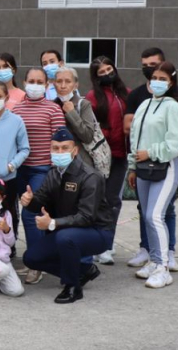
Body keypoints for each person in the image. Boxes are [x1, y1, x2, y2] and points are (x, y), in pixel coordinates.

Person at [20, 128, 112, 304]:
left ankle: (73, 287)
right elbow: (39, 201)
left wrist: (53, 223)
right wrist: (29, 201)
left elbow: (86, 217)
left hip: (97, 232)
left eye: (64, 148)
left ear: (75, 151)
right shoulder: (53, 174)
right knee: (31, 258)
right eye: (55, 148)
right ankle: (83, 270)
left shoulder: (90, 176)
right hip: (67, 230)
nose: (59, 152)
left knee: (64, 237)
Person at [124, 47, 178, 272]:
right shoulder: (144, 105)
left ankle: (162, 267)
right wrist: (133, 166)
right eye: (154, 78)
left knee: (155, 215)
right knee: (146, 215)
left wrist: (150, 152)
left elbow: (176, 143)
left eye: (162, 78)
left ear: (170, 83)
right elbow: (135, 138)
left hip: (165, 167)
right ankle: (153, 260)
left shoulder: (173, 107)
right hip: (142, 169)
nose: (157, 82)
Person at [11, 67, 67, 279]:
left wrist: (57, 169)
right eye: (31, 80)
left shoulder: (53, 109)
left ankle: (37, 262)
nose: (34, 84)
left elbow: (60, 141)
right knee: (22, 214)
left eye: (39, 81)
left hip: (42, 169)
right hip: (20, 169)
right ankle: (34, 258)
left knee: (30, 213)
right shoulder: (16, 109)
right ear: (24, 82)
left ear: (46, 85)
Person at [85, 55, 130, 265]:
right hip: (100, 156)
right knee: (96, 201)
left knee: (113, 201)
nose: (106, 74)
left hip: (121, 156)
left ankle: (107, 245)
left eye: (108, 69)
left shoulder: (126, 94)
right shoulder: (93, 97)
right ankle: (94, 242)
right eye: (100, 72)